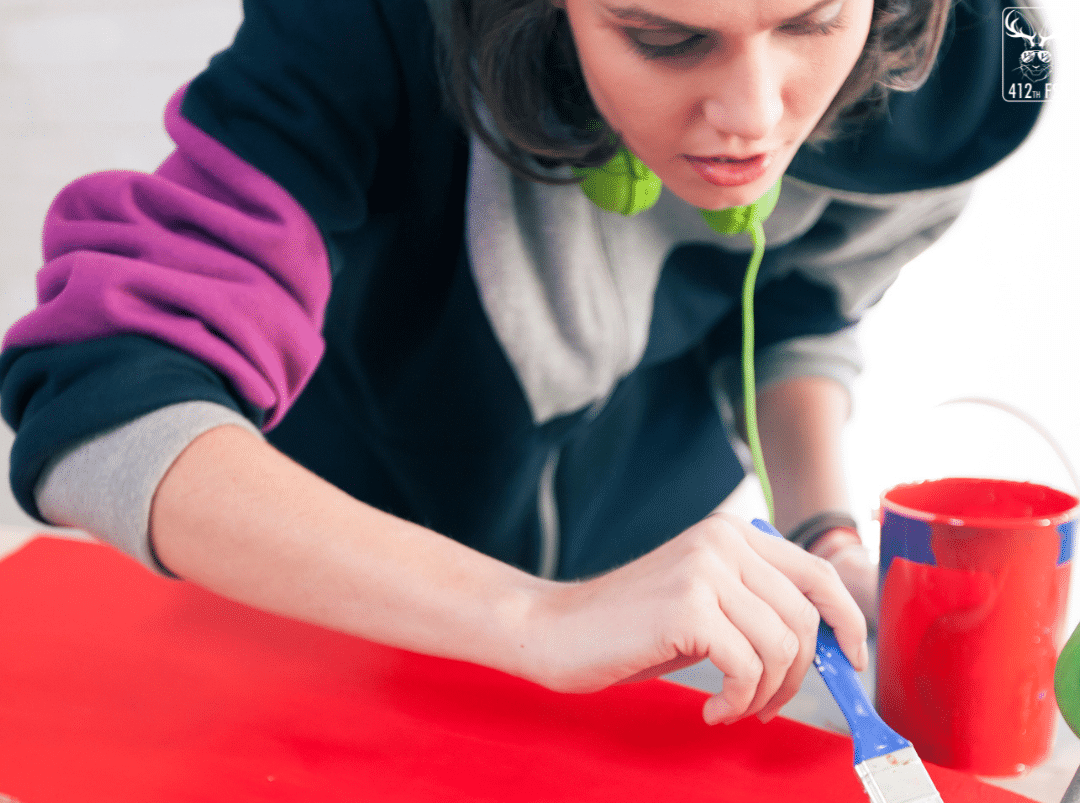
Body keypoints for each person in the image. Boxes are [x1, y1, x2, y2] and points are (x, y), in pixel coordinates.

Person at [0, 0, 1040, 724]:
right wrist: (535, 618)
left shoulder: (961, 72)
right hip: (322, 596)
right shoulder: (364, 30)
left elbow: (798, 311)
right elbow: (107, 414)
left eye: (811, 23)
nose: (754, 118)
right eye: (667, 38)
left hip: (626, 596)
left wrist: (828, 534)